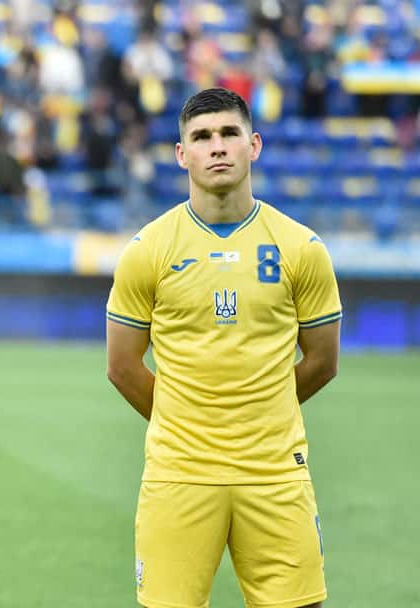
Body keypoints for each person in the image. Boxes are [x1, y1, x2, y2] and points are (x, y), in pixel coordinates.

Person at [106, 87, 341, 608]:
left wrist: (261, 409)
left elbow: (324, 361)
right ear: (181, 153)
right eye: (202, 137)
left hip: (275, 472)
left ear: (253, 146)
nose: (217, 146)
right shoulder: (148, 250)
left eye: (230, 133)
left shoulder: (301, 248)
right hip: (179, 471)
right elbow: (121, 366)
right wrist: (186, 417)